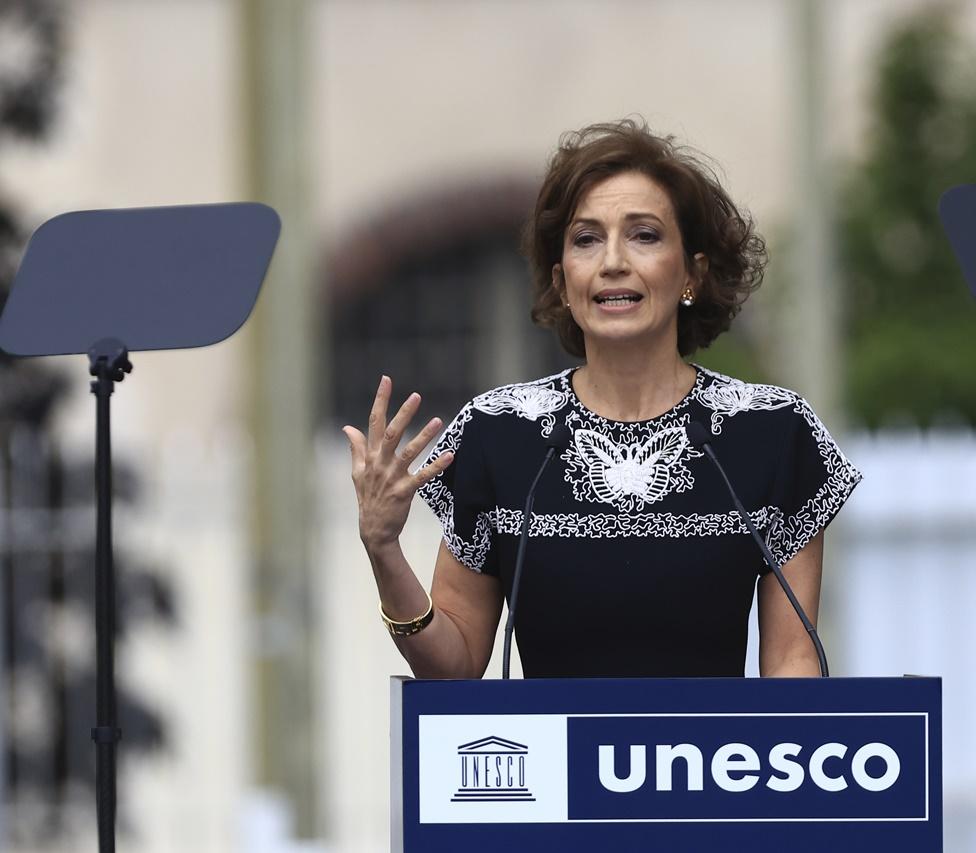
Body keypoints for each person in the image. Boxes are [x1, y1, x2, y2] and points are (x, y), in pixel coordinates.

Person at [343, 119, 860, 679]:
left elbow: (791, 662)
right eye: (587, 239)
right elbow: (455, 668)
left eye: (644, 235)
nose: (613, 261)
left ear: (692, 272)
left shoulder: (772, 430)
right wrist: (384, 549)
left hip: (713, 741)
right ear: (562, 281)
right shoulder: (497, 431)